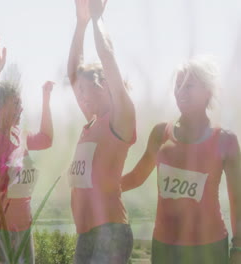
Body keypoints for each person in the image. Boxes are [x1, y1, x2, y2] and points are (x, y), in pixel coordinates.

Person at [121, 57, 241, 264]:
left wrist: (238, 247)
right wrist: (100, 189)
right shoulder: (160, 133)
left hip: (209, 249)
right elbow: (137, 177)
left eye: (189, 86)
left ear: (207, 91)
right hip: (165, 248)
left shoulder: (226, 139)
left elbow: (237, 199)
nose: (181, 92)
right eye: (178, 86)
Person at [0, 34, 54, 263]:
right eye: (15, 103)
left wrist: (46, 98)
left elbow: (47, 139)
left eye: (21, 102)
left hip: (22, 232)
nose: (21, 107)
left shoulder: (22, 136)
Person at [67, 0, 136, 263]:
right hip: (86, 233)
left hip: (111, 232)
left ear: (104, 84)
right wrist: (80, 24)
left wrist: (97, 18)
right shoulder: (93, 122)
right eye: (79, 92)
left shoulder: (120, 118)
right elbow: (73, 74)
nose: (80, 97)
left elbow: (108, 59)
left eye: (85, 90)